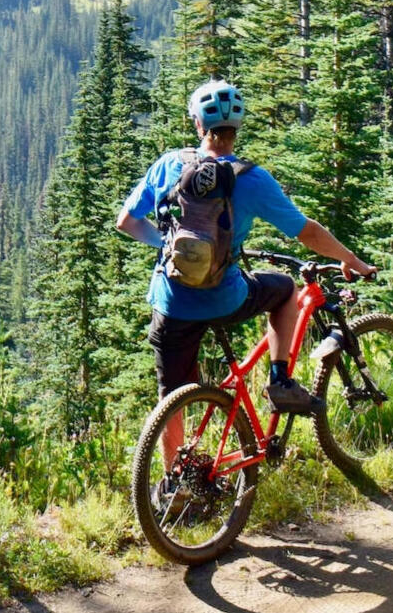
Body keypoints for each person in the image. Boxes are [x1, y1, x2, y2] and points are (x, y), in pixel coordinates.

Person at [117, 79, 375, 475]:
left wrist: (166, 247)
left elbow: (127, 223)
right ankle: (279, 379)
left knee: (171, 393)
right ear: (237, 128)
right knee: (285, 289)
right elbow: (307, 232)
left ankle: (175, 480)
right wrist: (350, 258)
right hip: (226, 297)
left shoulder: (169, 165)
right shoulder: (251, 179)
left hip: (172, 301)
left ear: (198, 125)